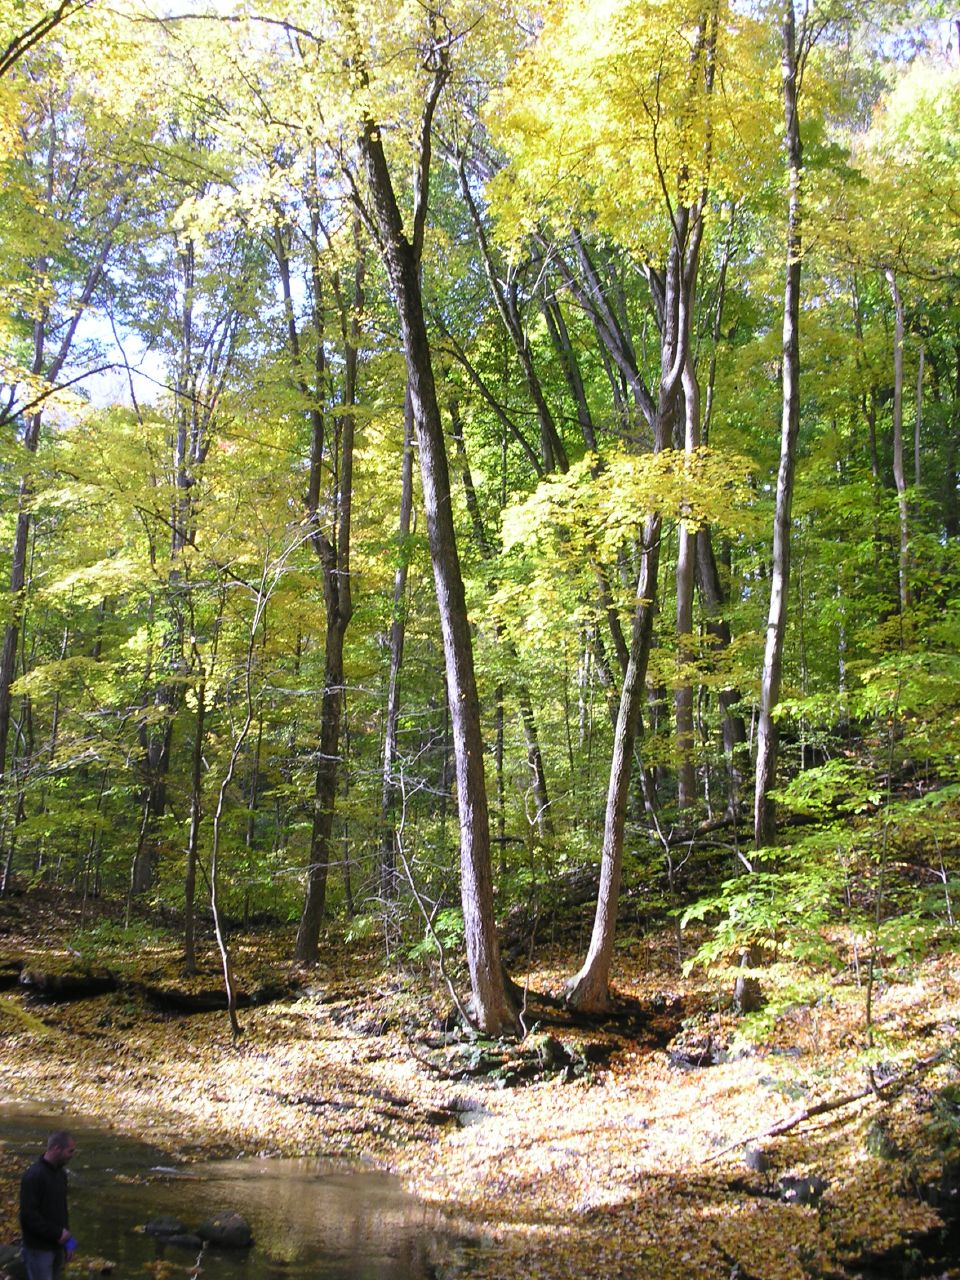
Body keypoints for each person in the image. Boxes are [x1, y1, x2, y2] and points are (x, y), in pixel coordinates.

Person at [19, 1131, 77, 1280]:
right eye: (70, 1151)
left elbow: (61, 1211)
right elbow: (28, 1216)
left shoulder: (61, 1174)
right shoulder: (34, 1176)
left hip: (57, 1246)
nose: (72, 1155)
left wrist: (69, 1241)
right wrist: (58, 1233)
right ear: (57, 1149)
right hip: (38, 1249)